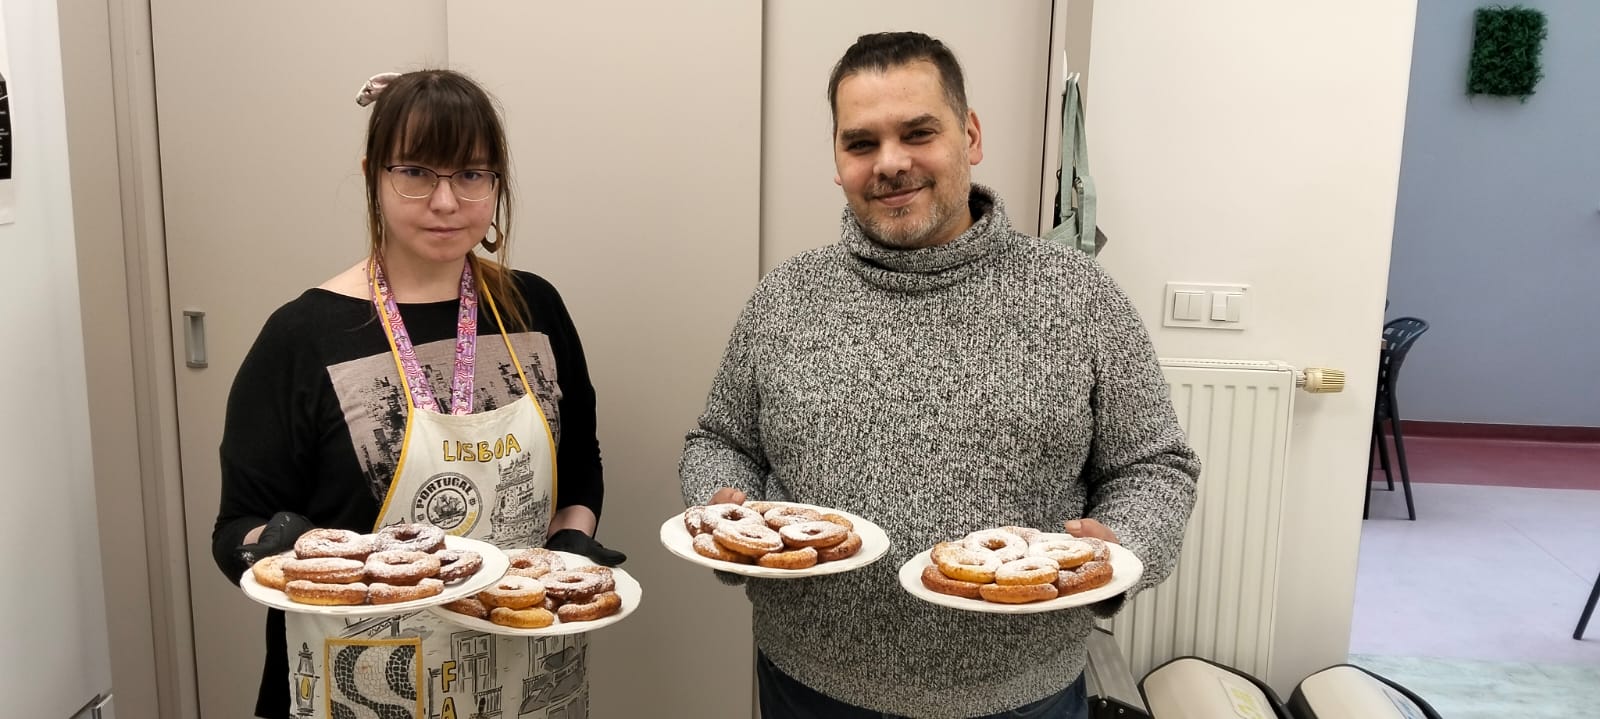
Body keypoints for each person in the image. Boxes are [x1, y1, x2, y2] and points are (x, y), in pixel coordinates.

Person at [678, 32, 1200, 719]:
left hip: (1023, 697)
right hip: (809, 687)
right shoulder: (784, 299)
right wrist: (725, 508)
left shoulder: (1079, 297)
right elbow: (720, 440)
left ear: (971, 135)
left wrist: (1122, 546)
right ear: (837, 160)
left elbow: (1156, 466)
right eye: (861, 143)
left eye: (918, 132)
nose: (890, 163)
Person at [213, 69, 624, 719]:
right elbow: (235, 525)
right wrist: (276, 542)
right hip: (359, 684)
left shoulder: (534, 309)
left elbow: (581, 466)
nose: (445, 200)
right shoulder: (302, 335)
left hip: (524, 676)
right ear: (374, 172)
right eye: (416, 172)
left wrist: (573, 536)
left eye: (472, 174)